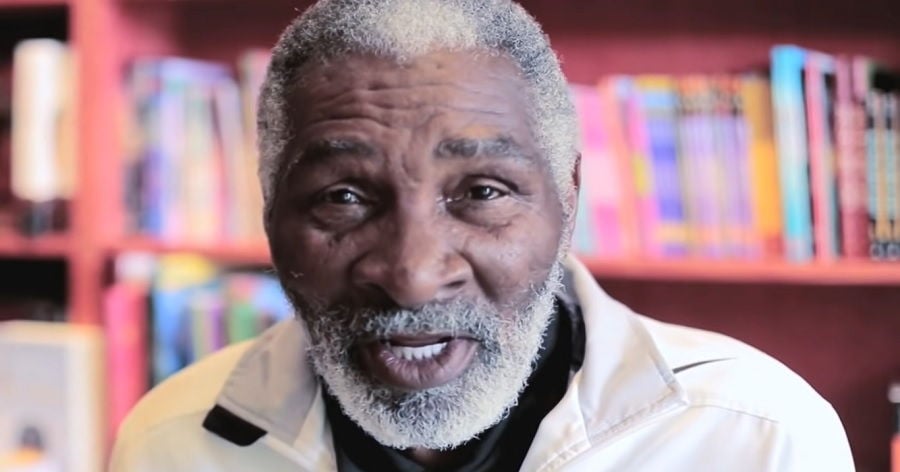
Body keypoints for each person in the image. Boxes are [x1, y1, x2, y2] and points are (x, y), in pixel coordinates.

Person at [109, 0, 854, 470]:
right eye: (343, 197)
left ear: (568, 199)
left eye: (483, 192)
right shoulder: (175, 445)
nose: (412, 275)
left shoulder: (754, 439)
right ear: (271, 213)